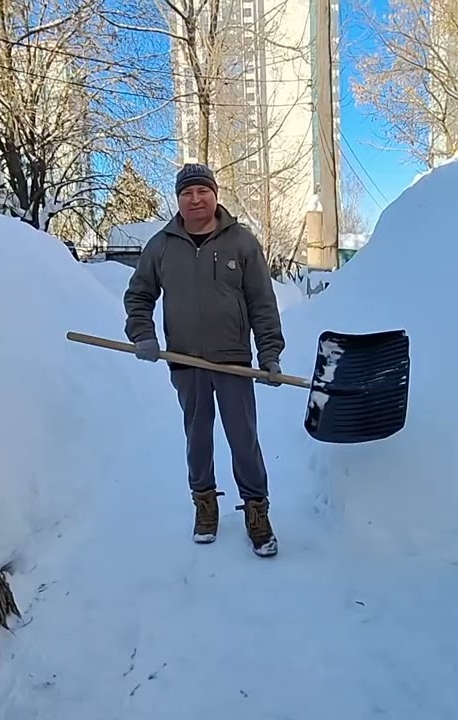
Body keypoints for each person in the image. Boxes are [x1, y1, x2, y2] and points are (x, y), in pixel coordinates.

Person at [123, 163, 286, 558]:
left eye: (202, 191)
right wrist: (143, 334)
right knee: (197, 438)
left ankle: (257, 511)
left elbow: (262, 303)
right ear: (178, 199)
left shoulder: (241, 242)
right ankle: (205, 505)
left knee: (243, 440)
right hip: (185, 360)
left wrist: (269, 354)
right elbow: (139, 295)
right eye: (186, 193)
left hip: (233, 362)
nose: (195, 199)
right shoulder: (161, 246)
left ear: (215, 195)